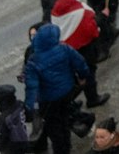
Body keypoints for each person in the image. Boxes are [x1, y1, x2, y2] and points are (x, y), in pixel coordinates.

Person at [23, 21, 92, 152]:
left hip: (48, 99)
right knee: (64, 120)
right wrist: (83, 76)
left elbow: (32, 87)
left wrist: (30, 107)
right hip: (67, 91)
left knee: (54, 128)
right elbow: (80, 63)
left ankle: (61, 149)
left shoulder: (33, 60)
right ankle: (66, 145)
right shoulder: (64, 48)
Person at [0, 82, 35, 152]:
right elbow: (30, 118)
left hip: (10, 149)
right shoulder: (20, 105)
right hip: (24, 142)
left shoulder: (3, 118)